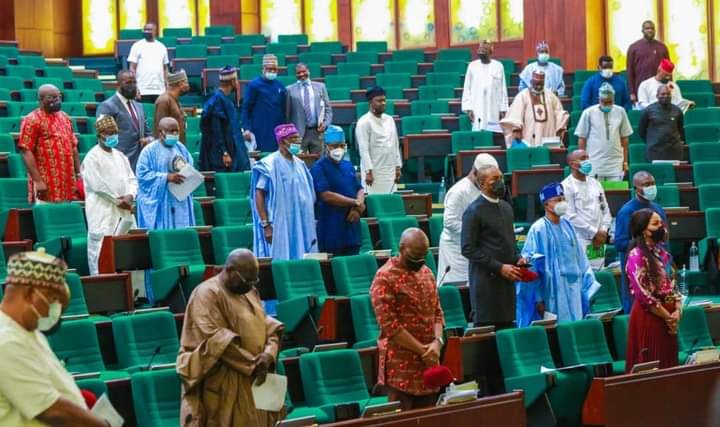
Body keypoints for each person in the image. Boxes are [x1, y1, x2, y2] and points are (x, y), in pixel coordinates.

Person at [0, 250, 111, 426]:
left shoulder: (29, 332)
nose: (53, 310)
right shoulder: (6, 341)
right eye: (52, 299)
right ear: (29, 294)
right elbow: (52, 411)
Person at [177, 248, 284, 426]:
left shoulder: (250, 291)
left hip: (257, 378)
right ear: (229, 271)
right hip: (225, 382)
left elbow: (269, 328)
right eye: (246, 280)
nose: (251, 285)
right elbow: (218, 342)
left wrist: (268, 355)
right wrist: (254, 364)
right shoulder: (207, 294)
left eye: (254, 280)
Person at [370, 228, 445, 411]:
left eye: (423, 255)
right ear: (402, 248)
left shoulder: (427, 272)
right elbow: (390, 327)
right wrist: (423, 351)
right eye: (415, 255)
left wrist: (437, 342)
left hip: (429, 362)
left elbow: (437, 313)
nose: (419, 260)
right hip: (400, 365)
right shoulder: (384, 277)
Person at [517, 183, 599, 327]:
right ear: (546, 204)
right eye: (557, 199)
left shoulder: (568, 226)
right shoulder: (539, 229)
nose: (562, 202)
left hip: (574, 287)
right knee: (558, 330)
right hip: (553, 289)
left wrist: (586, 283)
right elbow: (532, 267)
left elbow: (580, 258)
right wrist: (538, 298)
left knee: (576, 327)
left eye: (563, 198)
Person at [461, 164, 526, 328]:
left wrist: (518, 258)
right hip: (486, 284)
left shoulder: (506, 208)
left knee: (508, 330)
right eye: (495, 179)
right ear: (482, 184)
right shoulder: (473, 211)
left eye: (501, 178)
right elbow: (467, 248)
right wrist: (498, 267)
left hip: (507, 282)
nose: (500, 183)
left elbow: (511, 241)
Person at [81, 115, 137, 276]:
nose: (111, 136)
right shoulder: (92, 157)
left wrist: (130, 196)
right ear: (99, 135)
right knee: (101, 252)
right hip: (103, 212)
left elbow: (132, 179)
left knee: (127, 253)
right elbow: (98, 186)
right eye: (107, 132)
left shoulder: (120, 156)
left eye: (114, 132)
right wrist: (118, 200)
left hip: (124, 211)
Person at [625, 209, 680, 371]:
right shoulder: (636, 255)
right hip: (650, 316)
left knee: (670, 365)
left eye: (661, 222)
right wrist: (668, 317)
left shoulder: (663, 253)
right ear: (644, 230)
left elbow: (673, 286)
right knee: (652, 364)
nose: (661, 226)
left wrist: (677, 311)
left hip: (669, 319)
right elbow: (644, 294)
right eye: (656, 224)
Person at [251, 123, 317, 260]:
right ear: (282, 141)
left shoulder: (300, 164)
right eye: (293, 139)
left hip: (302, 221)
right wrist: (265, 224)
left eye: (298, 139)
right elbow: (259, 194)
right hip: (280, 222)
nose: (298, 142)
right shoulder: (269, 164)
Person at [438, 153, 498, 285]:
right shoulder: (458, 191)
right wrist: (476, 230)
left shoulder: (484, 189)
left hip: (476, 249)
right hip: (456, 251)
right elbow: (449, 222)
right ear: (475, 173)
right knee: (458, 293)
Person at [615, 171, 668, 313]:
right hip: (637, 268)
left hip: (658, 267)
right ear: (636, 188)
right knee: (637, 309)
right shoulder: (627, 211)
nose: (651, 187)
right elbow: (619, 243)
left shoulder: (658, 209)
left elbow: (665, 239)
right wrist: (644, 245)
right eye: (646, 185)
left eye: (652, 184)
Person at [18, 84, 80, 203]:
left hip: (66, 180)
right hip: (46, 181)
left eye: (59, 96)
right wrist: (38, 181)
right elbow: (26, 150)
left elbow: (73, 147)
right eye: (52, 97)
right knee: (47, 215)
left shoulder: (65, 117)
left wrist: (78, 174)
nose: (57, 100)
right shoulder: (32, 119)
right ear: (41, 100)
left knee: (64, 215)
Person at [310, 125, 364, 255]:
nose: (338, 149)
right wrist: (355, 203)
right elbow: (326, 195)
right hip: (331, 229)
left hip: (351, 227)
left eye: (341, 145)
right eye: (334, 146)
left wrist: (358, 207)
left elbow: (360, 189)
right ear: (326, 146)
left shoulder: (348, 165)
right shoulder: (319, 167)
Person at [135, 117, 195, 230]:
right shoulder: (149, 151)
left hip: (179, 199)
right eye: (170, 131)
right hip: (161, 201)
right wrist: (166, 177)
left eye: (176, 131)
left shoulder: (181, 148)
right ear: (160, 132)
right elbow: (142, 176)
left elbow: (190, 167)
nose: (175, 134)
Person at [561, 150, 612, 270]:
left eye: (588, 157)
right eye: (583, 158)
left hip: (599, 240)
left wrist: (603, 231)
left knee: (600, 274)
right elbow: (570, 216)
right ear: (572, 164)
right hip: (580, 240)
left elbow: (606, 210)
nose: (587, 161)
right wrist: (594, 232)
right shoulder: (566, 186)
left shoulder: (596, 183)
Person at [96, 70, 153, 170]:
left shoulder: (139, 106)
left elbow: (148, 132)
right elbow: (103, 137)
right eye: (128, 83)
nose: (133, 86)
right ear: (118, 85)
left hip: (140, 163)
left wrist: (149, 139)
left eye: (134, 82)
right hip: (118, 164)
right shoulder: (107, 106)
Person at [575, 83, 632, 180]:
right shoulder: (588, 113)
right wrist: (583, 161)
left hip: (615, 162)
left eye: (610, 102)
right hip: (594, 161)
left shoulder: (621, 111)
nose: (607, 104)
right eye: (604, 102)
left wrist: (625, 161)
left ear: (614, 99)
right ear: (599, 99)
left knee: (616, 193)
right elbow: (582, 138)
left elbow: (625, 138)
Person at [200, 66, 250, 172]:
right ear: (232, 81)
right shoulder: (217, 100)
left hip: (231, 149)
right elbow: (216, 130)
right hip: (223, 155)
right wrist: (224, 152)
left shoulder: (226, 99)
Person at [500, 70, 569, 148]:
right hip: (528, 136)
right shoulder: (522, 95)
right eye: (536, 84)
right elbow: (515, 115)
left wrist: (560, 128)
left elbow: (559, 113)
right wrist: (516, 129)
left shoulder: (551, 95)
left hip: (548, 134)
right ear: (531, 82)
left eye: (541, 84)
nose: (539, 86)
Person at [355, 86, 402, 194]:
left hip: (390, 169)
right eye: (379, 101)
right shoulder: (364, 122)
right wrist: (368, 172)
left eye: (384, 100)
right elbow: (364, 149)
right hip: (374, 171)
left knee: (389, 201)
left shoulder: (390, 120)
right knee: (374, 202)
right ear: (371, 103)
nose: (383, 103)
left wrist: (398, 166)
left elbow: (395, 144)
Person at [241, 54, 287, 152]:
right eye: (269, 69)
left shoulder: (280, 86)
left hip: (277, 130)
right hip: (259, 129)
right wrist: (246, 128)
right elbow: (246, 108)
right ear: (263, 68)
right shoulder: (254, 85)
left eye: (275, 69)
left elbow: (284, 109)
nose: (272, 71)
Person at [461, 40, 508, 132]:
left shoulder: (498, 66)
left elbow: (503, 89)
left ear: (490, 52)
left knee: (493, 132)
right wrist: (468, 108)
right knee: (479, 130)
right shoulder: (472, 66)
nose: (482, 53)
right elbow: (467, 88)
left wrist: (503, 108)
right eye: (481, 50)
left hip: (494, 106)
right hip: (477, 105)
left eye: (485, 50)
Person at [285, 63, 333, 154]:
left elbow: (328, 109)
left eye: (303, 71)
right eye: (298, 73)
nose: (301, 74)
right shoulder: (289, 90)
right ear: (295, 75)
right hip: (297, 134)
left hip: (317, 132)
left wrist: (325, 124)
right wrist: (290, 134)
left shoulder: (321, 87)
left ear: (308, 71)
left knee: (318, 162)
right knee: (298, 162)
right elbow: (287, 114)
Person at [626, 20, 670, 104]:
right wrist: (631, 92)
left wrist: (669, 87)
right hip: (640, 88)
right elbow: (630, 72)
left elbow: (668, 70)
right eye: (647, 28)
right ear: (642, 30)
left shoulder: (662, 47)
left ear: (655, 31)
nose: (650, 30)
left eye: (652, 28)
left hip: (660, 89)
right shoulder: (633, 48)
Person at [638, 85, 685, 161]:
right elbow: (641, 130)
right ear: (657, 96)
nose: (666, 96)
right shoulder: (648, 110)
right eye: (663, 94)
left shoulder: (677, 111)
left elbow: (681, 129)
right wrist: (652, 141)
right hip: (655, 151)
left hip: (674, 151)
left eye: (668, 94)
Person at [128, 22, 169, 104]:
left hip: (160, 90)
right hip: (143, 89)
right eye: (145, 30)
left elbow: (165, 69)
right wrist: (135, 88)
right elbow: (132, 68)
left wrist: (167, 86)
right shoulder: (137, 46)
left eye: (149, 30)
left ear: (155, 31)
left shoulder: (162, 47)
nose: (146, 31)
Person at [153, 69, 189, 144]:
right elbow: (160, 128)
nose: (187, 85)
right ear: (180, 83)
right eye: (186, 82)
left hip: (177, 147)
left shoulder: (175, 100)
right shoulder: (164, 100)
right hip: (168, 149)